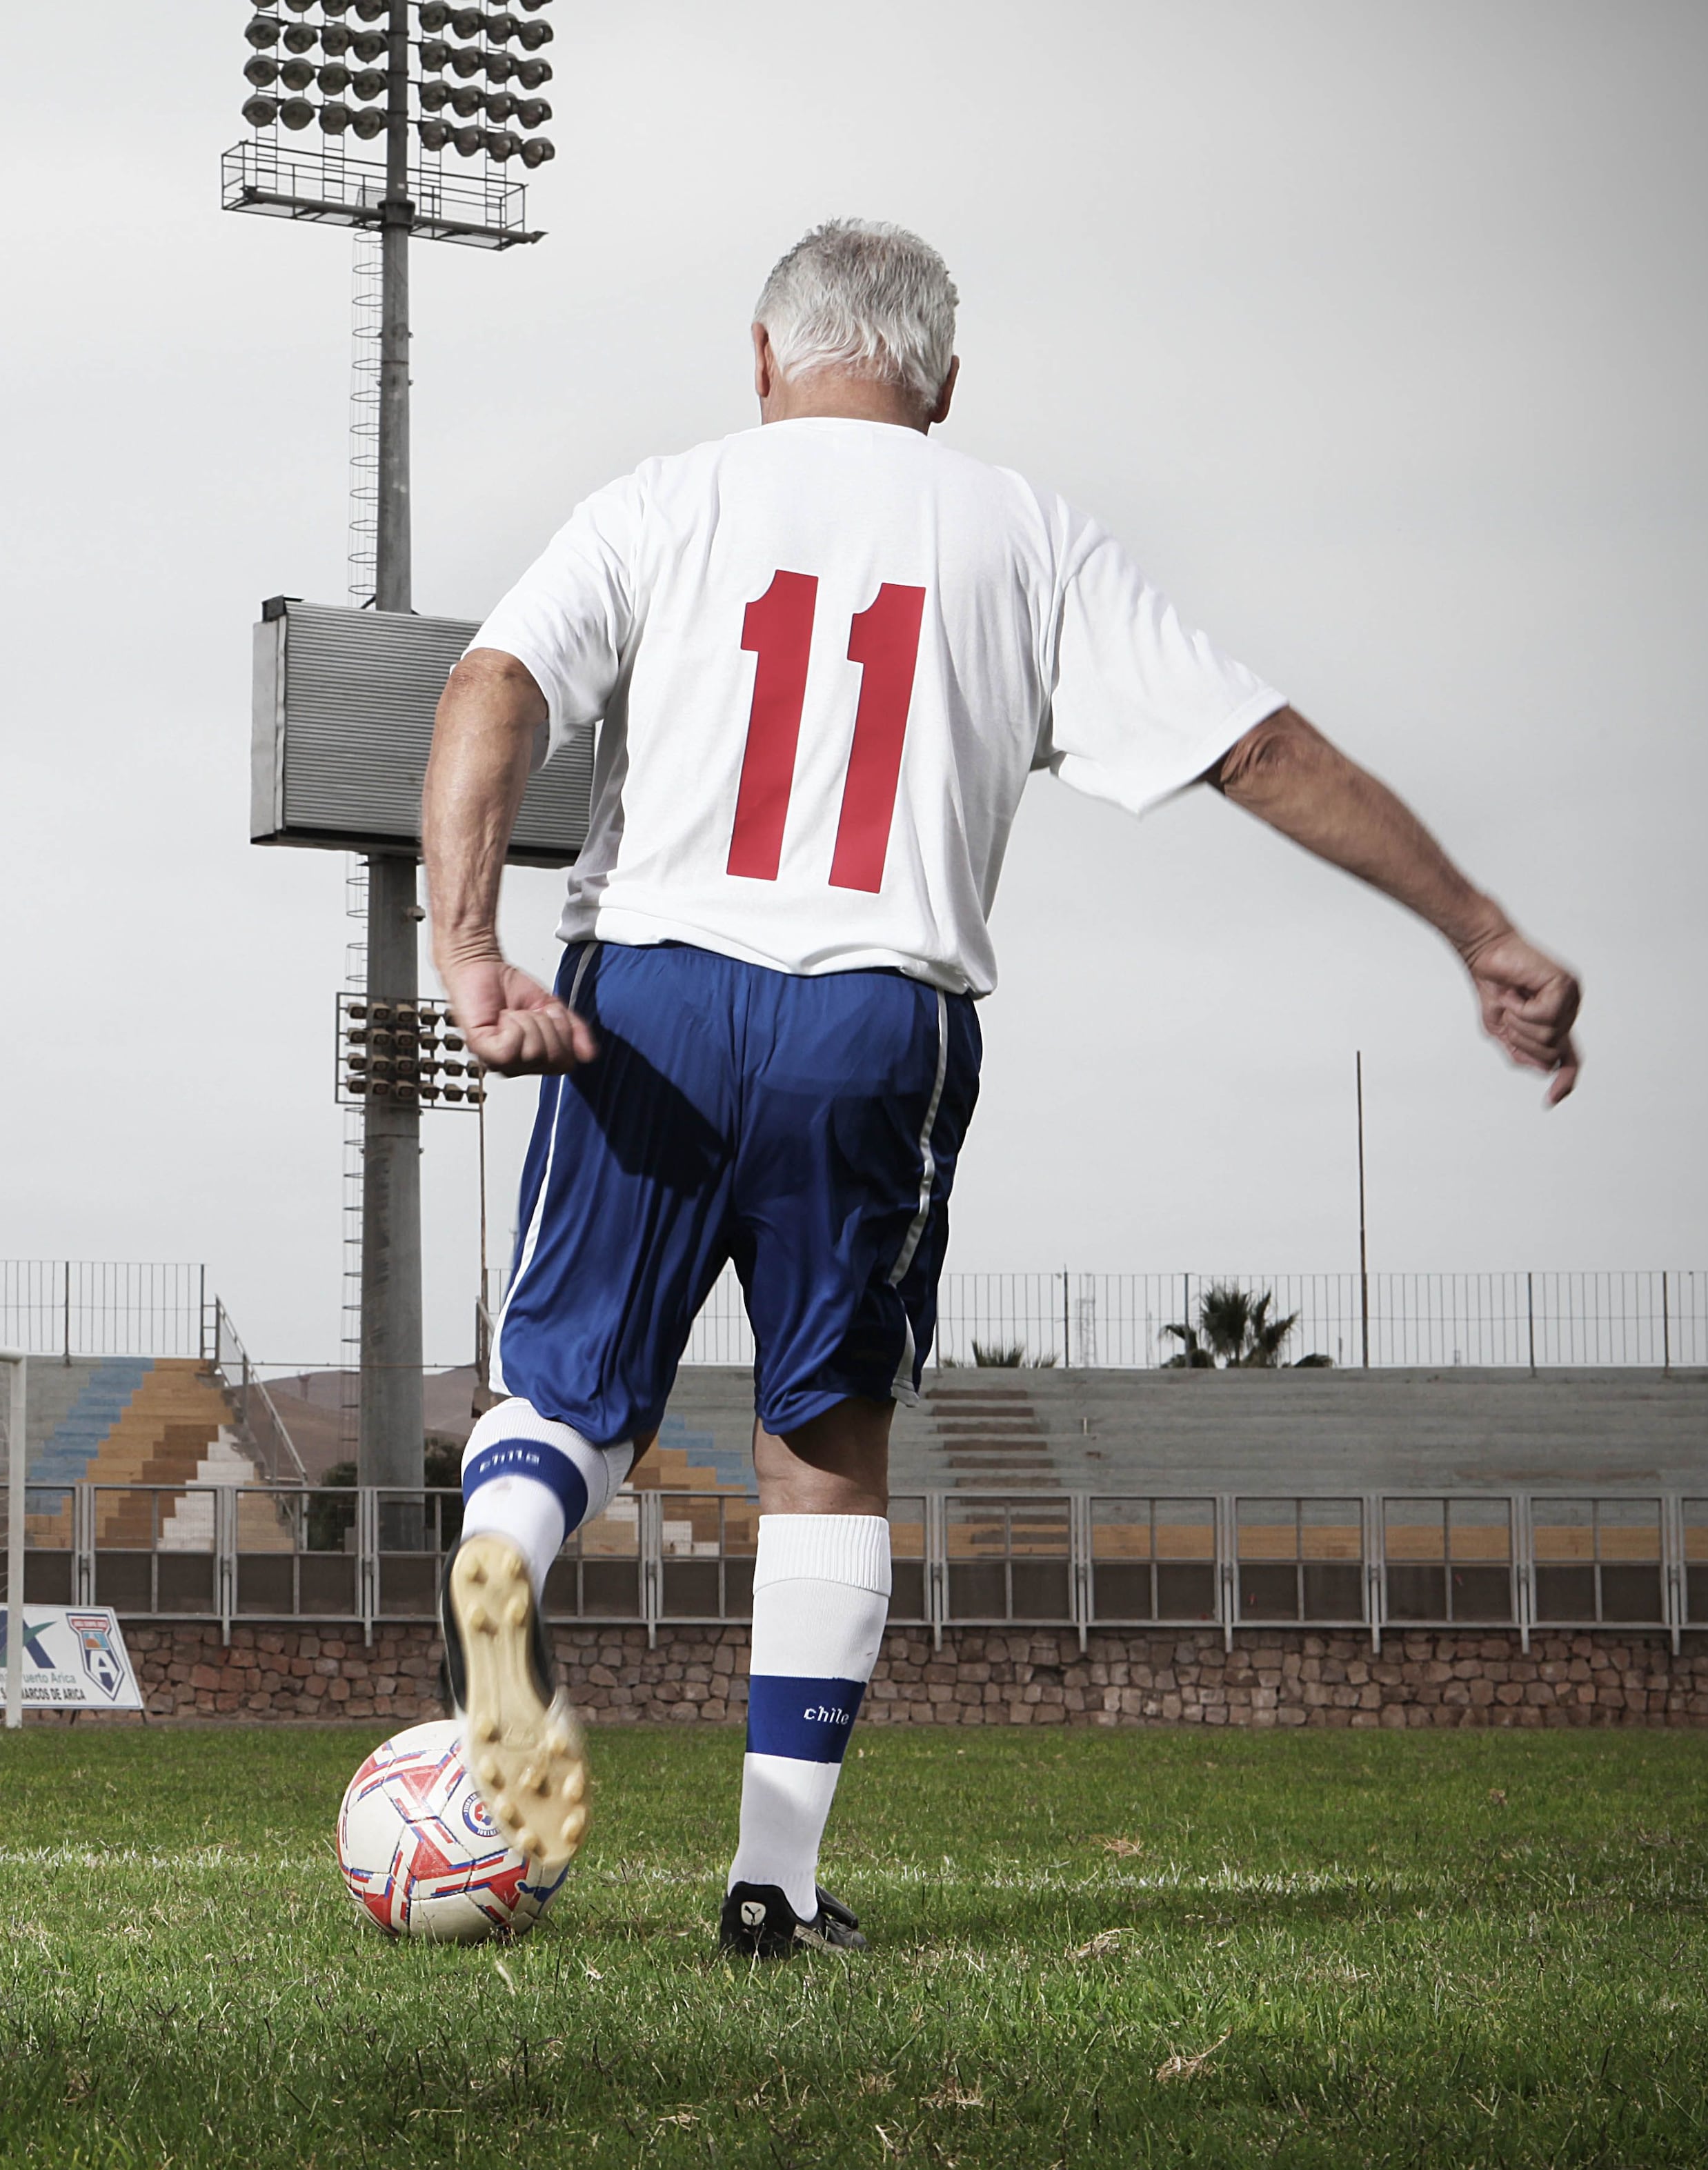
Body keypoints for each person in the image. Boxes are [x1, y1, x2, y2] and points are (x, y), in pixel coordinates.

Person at [419, 218, 1584, 1958]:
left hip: (645, 991)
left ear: (761, 359)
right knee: (821, 1447)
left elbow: (490, 684)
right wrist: (1475, 925)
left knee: (563, 1395)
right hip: (874, 1017)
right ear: (944, 384)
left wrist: (468, 952)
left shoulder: (664, 500)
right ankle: (772, 1885)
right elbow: (1254, 747)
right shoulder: (1023, 533)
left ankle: (509, 1536)